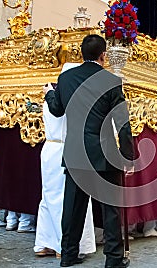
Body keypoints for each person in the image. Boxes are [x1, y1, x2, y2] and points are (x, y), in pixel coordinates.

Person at [44, 34, 134, 268]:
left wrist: (49, 93)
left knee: (73, 208)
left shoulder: (65, 79)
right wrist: (128, 155)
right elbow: (122, 122)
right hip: (104, 154)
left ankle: (68, 255)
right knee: (110, 209)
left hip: (75, 153)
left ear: (81, 54)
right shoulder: (111, 81)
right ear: (103, 55)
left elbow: (56, 110)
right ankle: (114, 259)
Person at [34, 63, 96, 258]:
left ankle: (47, 242)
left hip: (52, 148)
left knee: (51, 196)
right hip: (66, 147)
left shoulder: (51, 95)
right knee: (70, 199)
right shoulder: (79, 99)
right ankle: (65, 245)